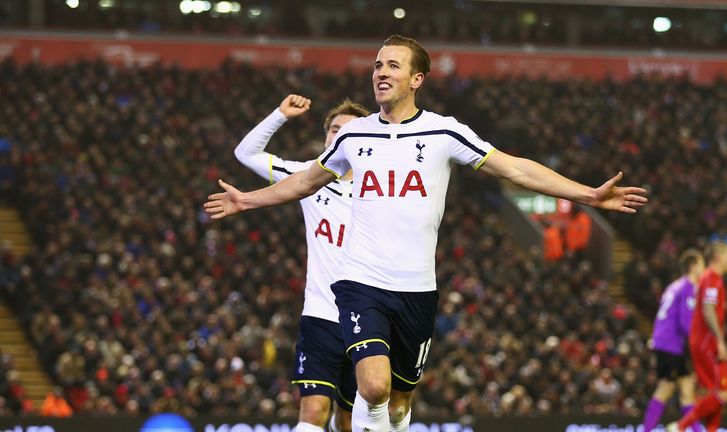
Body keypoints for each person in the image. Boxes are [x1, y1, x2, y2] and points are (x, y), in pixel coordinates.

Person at [204, 34, 648, 432]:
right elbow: (302, 181)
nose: (381, 72)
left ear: (417, 79)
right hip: (359, 284)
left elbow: (513, 167)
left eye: (392, 65)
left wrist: (587, 195)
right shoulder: (354, 136)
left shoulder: (443, 131)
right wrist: (248, 199)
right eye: (377, 65)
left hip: (416, 290)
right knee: (372, 387)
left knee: (398, 405)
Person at [233, 94, 370, 432]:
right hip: (321, 317)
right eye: (333, 129)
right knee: (312, 413)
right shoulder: (307, 177)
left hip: (367, 320)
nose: (338, 136)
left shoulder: (381, 191)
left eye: (348, 131)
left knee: (350, 421)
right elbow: (245, 154)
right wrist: (280, 114)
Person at [667, 241, 727, 432]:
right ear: (719, 257)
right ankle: (681, 426)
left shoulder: (708, 278)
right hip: (707, 342)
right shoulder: (713, 278)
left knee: (713, 394)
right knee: (725, 393)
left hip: (700, 341)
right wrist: (720, 340)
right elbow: (708, 310)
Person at [642, 249, 705, 432]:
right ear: (693, 266)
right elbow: (686, 323)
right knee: (666, 388)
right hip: (671, 345)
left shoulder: (674, 286)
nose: (704, 268)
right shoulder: (688, 288)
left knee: (686, 389)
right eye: (701, 264)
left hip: (665, 343)